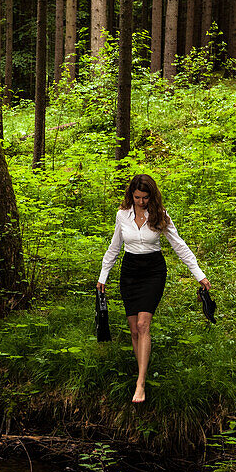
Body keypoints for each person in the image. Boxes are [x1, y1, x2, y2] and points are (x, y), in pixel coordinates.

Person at [97, 173, 210, 404]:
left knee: (143, 323)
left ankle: (140, 383)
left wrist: (199, 275)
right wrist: (103, 277)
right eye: (137, 197)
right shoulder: (122, 215)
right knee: (134, 330)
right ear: (131, 195)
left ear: (152, 196)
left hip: (153, 271)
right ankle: (142, 371)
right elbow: (114, 247)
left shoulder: (160, 215)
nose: (141, 202)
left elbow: (179, 245)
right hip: (129, 272)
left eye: (145, 197)